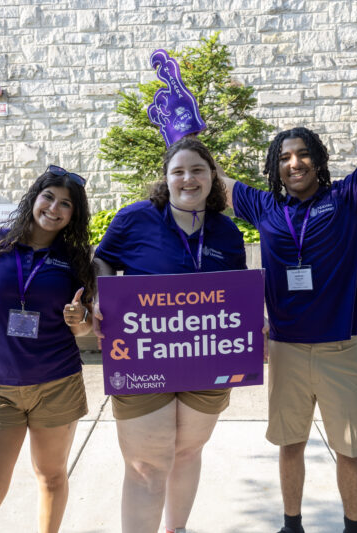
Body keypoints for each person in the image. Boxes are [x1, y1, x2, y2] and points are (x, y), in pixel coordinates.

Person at [219, 2, 357, 532]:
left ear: (317, 159)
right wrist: (177, 128)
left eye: (302, 154)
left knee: (349, 451)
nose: (293, 162)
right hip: (286, 350)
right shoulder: (263, 206)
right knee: (289, 445)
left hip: (343, 349)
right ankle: (291, 524)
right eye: (284, 157)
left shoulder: (349, 198)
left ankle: (352, 525)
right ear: (275, 167)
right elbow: (204, 175)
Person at [92, 137, 247, 533]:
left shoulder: (227, 232)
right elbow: (103, 260)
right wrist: (100, 298)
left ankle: (175, 529)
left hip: (208, 356)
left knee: (188, 450)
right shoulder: (134, 219)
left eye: (197, 169)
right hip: (143, 354)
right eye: (178, 171)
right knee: (146, 465)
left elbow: (237, 292)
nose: (188, 178)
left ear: (213, 177)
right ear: (166, 178)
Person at [0, 166, 95, 533]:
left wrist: (78, 318)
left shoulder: (76, 260)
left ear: (73, 214)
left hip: (57, 384)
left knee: (51, 479)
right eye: (48, 197)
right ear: (34, 198)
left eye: (66, 204)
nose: (54, 208)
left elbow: (86, 329)